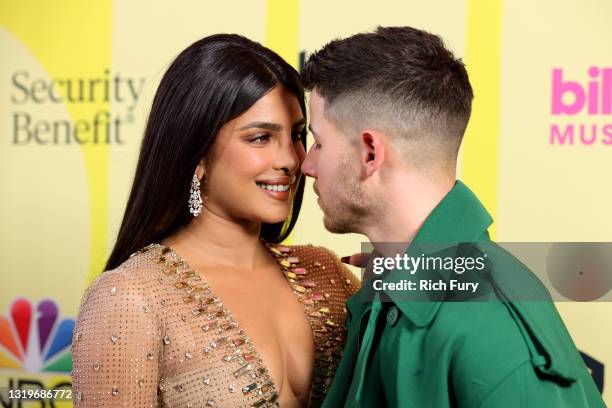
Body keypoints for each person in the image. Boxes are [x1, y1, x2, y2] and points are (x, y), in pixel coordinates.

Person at [300, 26, 605, 407]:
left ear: (370, 153)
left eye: (318, 142)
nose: (306, 165)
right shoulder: (397, 287)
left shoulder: (489, 328)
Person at [71, 34, 359, 408]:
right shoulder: (131, 297)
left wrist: (409, 256)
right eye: (260, 138)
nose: (291, 159)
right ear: (197, 154)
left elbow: (436, 337)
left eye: (297, 135)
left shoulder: (324, 272)